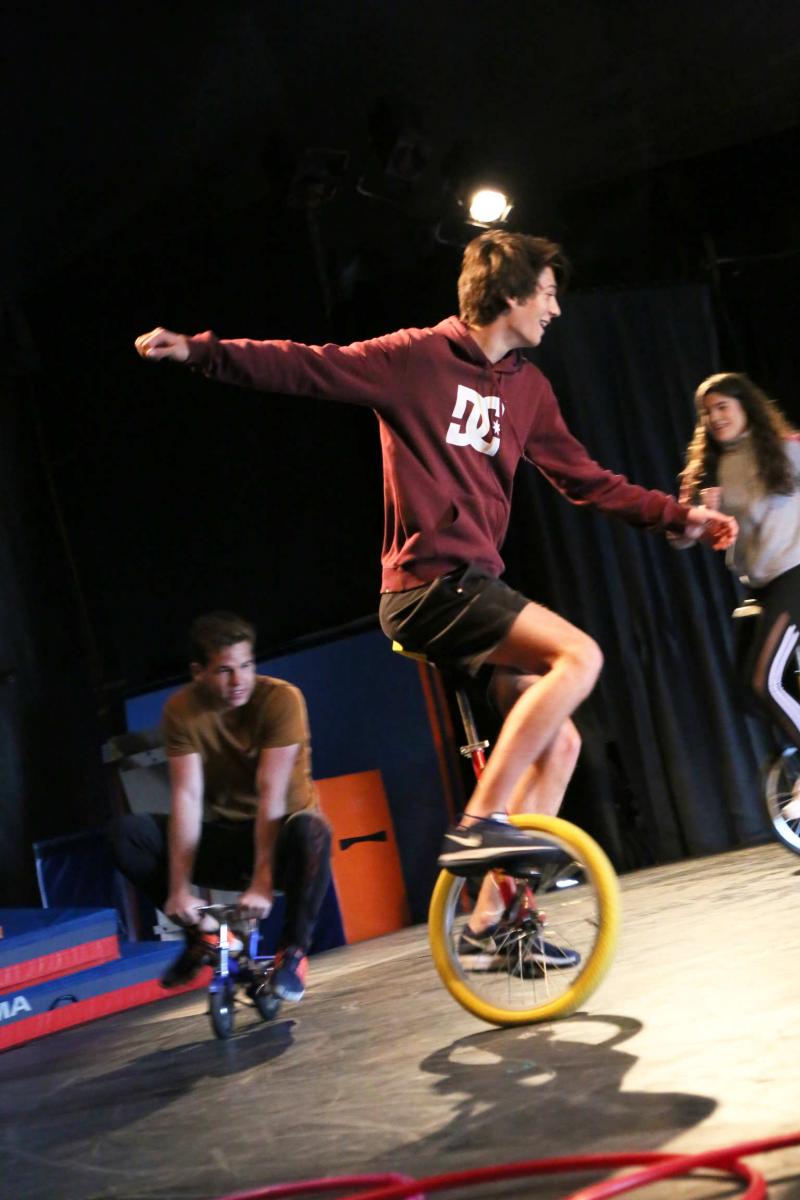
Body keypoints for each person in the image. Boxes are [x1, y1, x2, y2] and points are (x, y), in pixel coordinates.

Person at [133, 229, 736, 943]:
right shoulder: (414, 359)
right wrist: (200, 351)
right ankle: (482, 820)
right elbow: (307, 366)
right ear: (510, 295)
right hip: (426, 586)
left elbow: (587, 480)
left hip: (474, 586)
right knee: (582, 657)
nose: (555, 309)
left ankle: (495, 918)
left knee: (562, 744)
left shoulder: (528, 389)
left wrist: (677, 516)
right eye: (547, 294)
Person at [108, 611, 332, 1002]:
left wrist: (262, 881)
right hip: (229, 839)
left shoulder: (281, 699)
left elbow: (270, 793)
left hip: (284, 840)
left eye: (246, 666)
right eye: (225, 670)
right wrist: (179, 890)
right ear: (199, 673)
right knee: (128, 834)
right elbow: (187, 797)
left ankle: (292, 954)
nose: (239, 680)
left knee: (313, 830)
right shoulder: (182, 710)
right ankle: (206, 935)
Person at [675, 372, 800, 813]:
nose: (715, 418)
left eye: (722, 407)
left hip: (795, 574)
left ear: (746, 406)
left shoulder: (785, 449)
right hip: (759, 587)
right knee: (749, 692)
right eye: (707, 412)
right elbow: (680, 538)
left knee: (765, 680)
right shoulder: (707, 470)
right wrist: (696, 520)